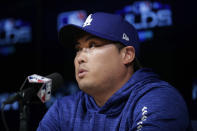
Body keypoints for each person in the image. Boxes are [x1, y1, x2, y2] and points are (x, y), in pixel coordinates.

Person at [37, 12, 192, 131]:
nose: (79, 58)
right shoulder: (63, 109)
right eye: (78, 49)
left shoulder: (159, 99)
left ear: (127, 55)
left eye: (92, 45)